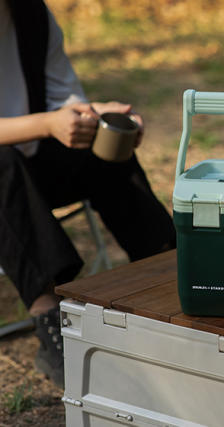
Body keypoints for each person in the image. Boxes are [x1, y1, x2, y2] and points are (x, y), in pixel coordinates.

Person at [0, 0, 176, 387]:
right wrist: (48, 124)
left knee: (106, 148)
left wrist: (102, 116)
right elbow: (47, 121)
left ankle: (168, 272)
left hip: (31, 166)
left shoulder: (32, 14)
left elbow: (65, 103)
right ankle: (49, 313)